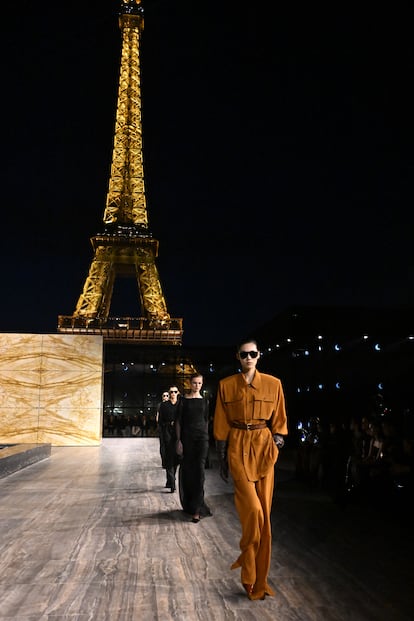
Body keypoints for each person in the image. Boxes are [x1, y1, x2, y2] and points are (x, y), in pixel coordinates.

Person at [213, 338, 288, 601]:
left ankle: (257, 581)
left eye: (252, 354)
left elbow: (280, 420)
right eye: (244, 354)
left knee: (264, 518)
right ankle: (248, 572)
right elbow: (221, 422)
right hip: (237, 446)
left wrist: (277, 442)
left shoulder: (273, 384)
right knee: (253, 512)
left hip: (264, 448)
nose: (248, 358)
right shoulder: (226, 386)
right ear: (238, 356)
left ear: (259, 355)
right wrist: (221, 456)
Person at [175, 373, 212, 523]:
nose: (197, 386)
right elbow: (178, 422)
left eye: (200, 383)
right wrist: (178, 441)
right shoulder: (183, 401)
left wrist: (206, 437)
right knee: (188, 473)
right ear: (190, 384)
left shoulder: (205, 402)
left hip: (202, 440)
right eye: (195, 383)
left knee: (200, 472)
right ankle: (190, 505)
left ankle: (197, 509)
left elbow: (206, 421)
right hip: (187, 440)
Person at [158, 386, 180, 492]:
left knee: (175, 458)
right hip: (167, 433)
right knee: (168, 457)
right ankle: (172, 482)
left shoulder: (180, 405)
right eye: (171, 392)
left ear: (178, 393)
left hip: (177, 434)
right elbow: (160, 421)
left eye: (175, 392)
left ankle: (169, 480)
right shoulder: (163, 405)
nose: (173, 394)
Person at [156, 391, 170, 472]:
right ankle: (164, 463)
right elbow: (157, 417)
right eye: (164, 395)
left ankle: (168, 462)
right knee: (163, 445)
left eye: (166, 395)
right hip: (162, 427)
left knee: (168, 445)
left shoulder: (171, 405)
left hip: (169, 428)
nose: (165, 397)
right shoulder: (160, 405)